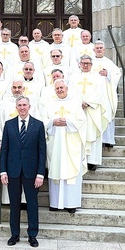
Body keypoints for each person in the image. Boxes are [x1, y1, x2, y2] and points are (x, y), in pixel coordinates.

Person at [0, 95, 46, 247]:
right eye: (19, 105)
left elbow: (42, 152)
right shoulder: (9, 124)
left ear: (29, 106)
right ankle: (15, 234)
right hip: (12, 171)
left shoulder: (38, 125)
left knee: (32, 204)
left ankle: (32, 235)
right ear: (16, 107)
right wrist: (3, 171)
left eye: (25, 105)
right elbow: (4, 150)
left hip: (32, 172)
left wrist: (40, 174)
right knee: (14, 204)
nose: (22, 107)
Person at [42, 79, 86, 213]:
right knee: (56, 171)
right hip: (55, 144)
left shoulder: (75, 103)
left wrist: (67, 121)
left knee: (70, 172)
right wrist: (52, 122)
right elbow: (43, 120)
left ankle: (71, 204)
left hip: (71, 144)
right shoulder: (49, 104)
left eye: (62, 88)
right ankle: (55, 203)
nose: (60, 90)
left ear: (67, 89)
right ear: (54, 90)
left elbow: (82, 121)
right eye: (57, 88)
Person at [72, 55, 109, 171]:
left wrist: (88, 103)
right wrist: (79, 103)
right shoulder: (73, 77)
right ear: (80, 64)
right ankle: (79, 160)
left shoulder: (98, 78)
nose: (85, 65)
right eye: (83, 63)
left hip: (92, 110)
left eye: (88, 63)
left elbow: (100, 92)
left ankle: (92, 161)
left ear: (91, 65)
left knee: (92, 133)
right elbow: (71, 92)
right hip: (78, 110)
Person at [92, 40, 121, 148]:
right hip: (94, 94)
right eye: (97, 48)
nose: (99, 49)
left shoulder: (109, 63)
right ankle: (97, 138)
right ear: (94, 49)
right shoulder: (90, 62)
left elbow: (117, 73)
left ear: (104, 50)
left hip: (106, 94)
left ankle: (108, 139)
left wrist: (108, 73)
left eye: (101, 48)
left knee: (107, 114)